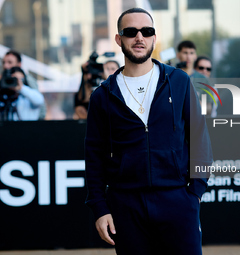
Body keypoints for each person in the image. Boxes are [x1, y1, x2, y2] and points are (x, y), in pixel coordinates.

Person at [85, 7, 213, 255]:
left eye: (147, 31)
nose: (139, 37)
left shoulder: (178, 81)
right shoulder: (103, 95)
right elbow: (94, 155)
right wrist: (100, 208)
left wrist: (194, 194)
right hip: (126, 205)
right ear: (119, 39)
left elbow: (199, 137)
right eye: (131, 31)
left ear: (154, 38)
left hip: (177, 200)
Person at [1, 50, 46, 119]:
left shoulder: (27, 79)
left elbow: (39, 101)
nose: (6, 66)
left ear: (19, 64)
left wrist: (21, 87)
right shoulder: (2, 80)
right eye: (4, 62)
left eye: (10, 62)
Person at [177, 41, 213, 115]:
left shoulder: (203, 79)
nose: (188, 57)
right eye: (185, 53)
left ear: (195, 56)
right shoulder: (170, 76)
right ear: (178, 55)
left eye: (191, 53)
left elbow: (209, 109)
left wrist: (199, 104)